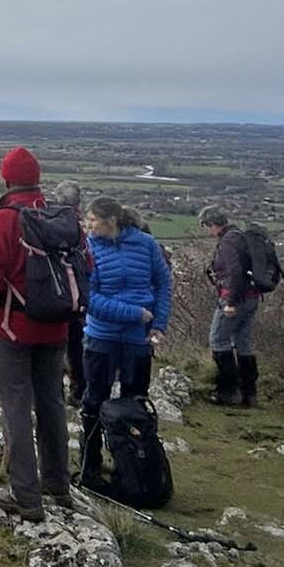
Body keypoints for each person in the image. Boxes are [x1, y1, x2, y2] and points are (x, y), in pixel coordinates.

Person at [0, 145, 73, 522]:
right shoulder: (61, 216)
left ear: (6, 179)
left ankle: (25, 495)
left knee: (16, 409)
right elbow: (85, 268)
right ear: (38, 178)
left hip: (13, 330)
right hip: (57, 326)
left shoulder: (4, 221)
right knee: (52, 404)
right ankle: (58, 484)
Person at [79, 196, 171, 484]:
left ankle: (133, 469)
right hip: (101, 337)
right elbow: (89, 298)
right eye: (88, 220)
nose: (89, 226)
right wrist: (135, 313)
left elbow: (164, 282)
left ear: (113, 221)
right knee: (94, 401)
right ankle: (89, 467)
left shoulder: (145, 244)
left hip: (137, 340)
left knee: (134, 404)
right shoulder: (88, 250)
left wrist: (159, 323)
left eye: (94, 221)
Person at [200, 207, 260, 406]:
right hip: (252, 296)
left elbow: (234, 271)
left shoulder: (227, 242)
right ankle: (249, 393)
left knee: (218, 340)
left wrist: (231, 303)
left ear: (213, 225)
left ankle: (229, 392)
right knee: (243, 342)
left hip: (234, 298)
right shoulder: (241, 236)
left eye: (207, 227)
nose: (208, 231)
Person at [50, 178, 89, 404]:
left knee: (54, 348)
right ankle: (78, 392)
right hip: (75, 298)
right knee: (76, 347)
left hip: (52, 292)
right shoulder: (78, 226)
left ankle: (55, 394)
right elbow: (88, 262)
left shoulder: (44, 220)